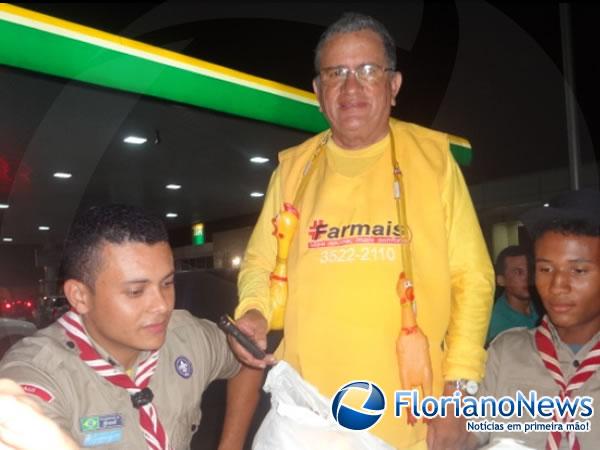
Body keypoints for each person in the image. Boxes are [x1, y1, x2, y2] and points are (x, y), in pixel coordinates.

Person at [230, 12, 494, 450]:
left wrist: (459, 396)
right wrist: (255, 311)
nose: (351, 88)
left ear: (393, 85)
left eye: (368, 71)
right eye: (336, 74)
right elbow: (259, 261)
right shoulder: (293, 169)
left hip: (408, 425)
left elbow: (473, 278)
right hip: (306, 418)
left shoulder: (433, 160)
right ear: (318, 91)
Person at [0, 204, 259, 450]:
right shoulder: (42, 369)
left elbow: (249, 359)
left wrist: (231, 445)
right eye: (136, 291)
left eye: (167, 283)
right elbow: (20, 412)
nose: (162, 306)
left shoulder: (185, 335)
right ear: (80, 296)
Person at [469, 189, 600, 449]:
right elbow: (462, 432)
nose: (557, 285)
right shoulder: (505, 352)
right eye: (545, 269)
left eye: (578, 270)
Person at [485, 245, 539, 345]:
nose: (527, 277)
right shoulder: (498, 324)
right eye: (518, 272)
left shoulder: (542, 307)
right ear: (501, 280)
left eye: (530, 270)